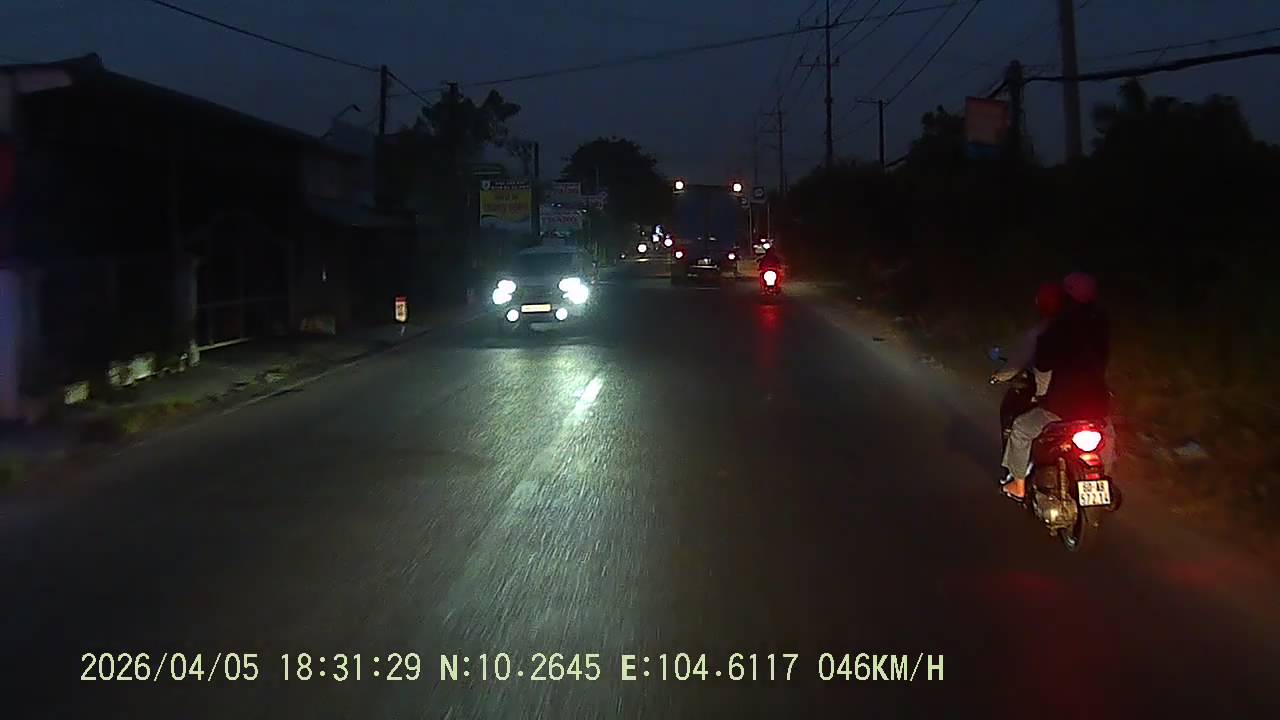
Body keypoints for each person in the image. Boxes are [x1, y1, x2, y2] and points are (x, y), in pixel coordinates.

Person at [1001, 272, 1112, 502]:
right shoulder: (1101, 323)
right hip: (1098, 403)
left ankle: (1018, 485)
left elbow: (1042, 363)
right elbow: (1104, 358)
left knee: (1021, 429)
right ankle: (1104, 480)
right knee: (1108, 435)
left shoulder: (1058, 326)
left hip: (1064, 405)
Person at [995, 282, 1065, 458]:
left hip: (1056, 402)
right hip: (1089, 406)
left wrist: (999, 376)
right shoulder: (1082, 333)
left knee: (1019, 428)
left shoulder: (1041, 335)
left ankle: (1016, 474)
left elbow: (1019, 362)